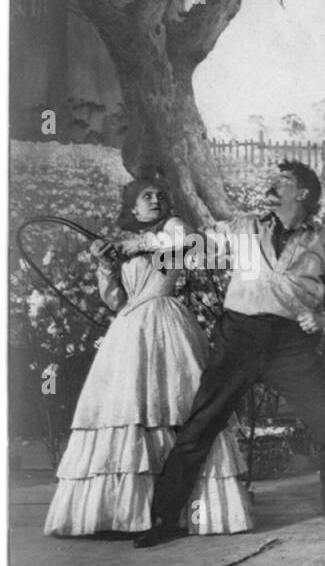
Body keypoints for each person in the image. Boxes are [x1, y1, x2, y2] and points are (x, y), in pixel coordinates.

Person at [134, 161, 325, 548]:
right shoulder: (245, 226)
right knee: (199, 426)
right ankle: (163, 519)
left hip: (293, 347)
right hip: (239, 339)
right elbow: (196, 250)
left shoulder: (324, 240)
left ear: (304, 194)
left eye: (284, 181)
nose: (273, 185)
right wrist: (141, 249)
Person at [45, 177, 253, 537]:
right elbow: (116, 301)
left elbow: (188, 246)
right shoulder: (124, 244)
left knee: (175, 407)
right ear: (132, 208)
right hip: (129, 330)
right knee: (130, 412)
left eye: (160, 195)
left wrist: (133, 245)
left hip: (167, 321)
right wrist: (106, 265)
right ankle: (125, 514)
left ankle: (178, 510)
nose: (155, 199)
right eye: (147, 196)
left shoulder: (173, 229)